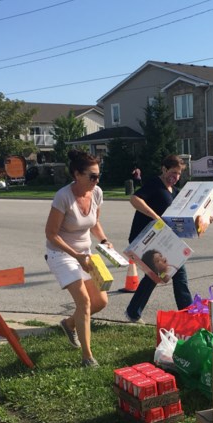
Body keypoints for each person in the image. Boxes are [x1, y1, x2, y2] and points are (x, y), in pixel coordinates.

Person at [44, 149, 112, 368]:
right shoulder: (63, 197)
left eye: (98, 176)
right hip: (61, 253)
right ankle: (87, 357)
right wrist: (77, 256)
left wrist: (103, 241)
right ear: (76, 174)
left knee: (100, 301)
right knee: (83, 301)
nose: (96, 180)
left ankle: (69, 323)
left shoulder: (97, 193)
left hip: (85, 254)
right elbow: (51, 234)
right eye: (92, 176)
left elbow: (95, 224)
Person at [124, 154, 193, 323]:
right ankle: (189, 316)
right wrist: (157, 218)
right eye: (173, 172)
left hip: (164, 240)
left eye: (179, 174)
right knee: (176, 272)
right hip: (146, 238)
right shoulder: (155, 184)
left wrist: (202, 220)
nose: (175, 177)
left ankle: (133, 312)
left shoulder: (176, 192)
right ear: (164, 169)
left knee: (156, 276)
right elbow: (135, 199)